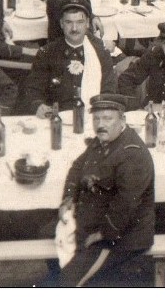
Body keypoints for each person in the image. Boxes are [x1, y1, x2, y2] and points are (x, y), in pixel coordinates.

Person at [56, 93, 155, 287]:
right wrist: (68, 197)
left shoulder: (132, 154)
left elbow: (126, 206)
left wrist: (102, 234)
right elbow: (77, 167)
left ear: (122, 120)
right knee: (44, 233)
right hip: (93, 219)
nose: (101, 124)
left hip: (120, 236)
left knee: (66, 283)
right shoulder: (103, 139)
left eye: (108, 118)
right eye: (97, 118)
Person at [24, 3, 115, 115]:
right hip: (55, 117)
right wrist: (38, 105)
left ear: (87, 23)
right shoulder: (47, 53)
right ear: (61, 24)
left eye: (80, 22)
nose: (74, 28)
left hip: (93, 116)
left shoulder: (101, 52)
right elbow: (33, 89)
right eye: (68, 22)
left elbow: (109, 90)